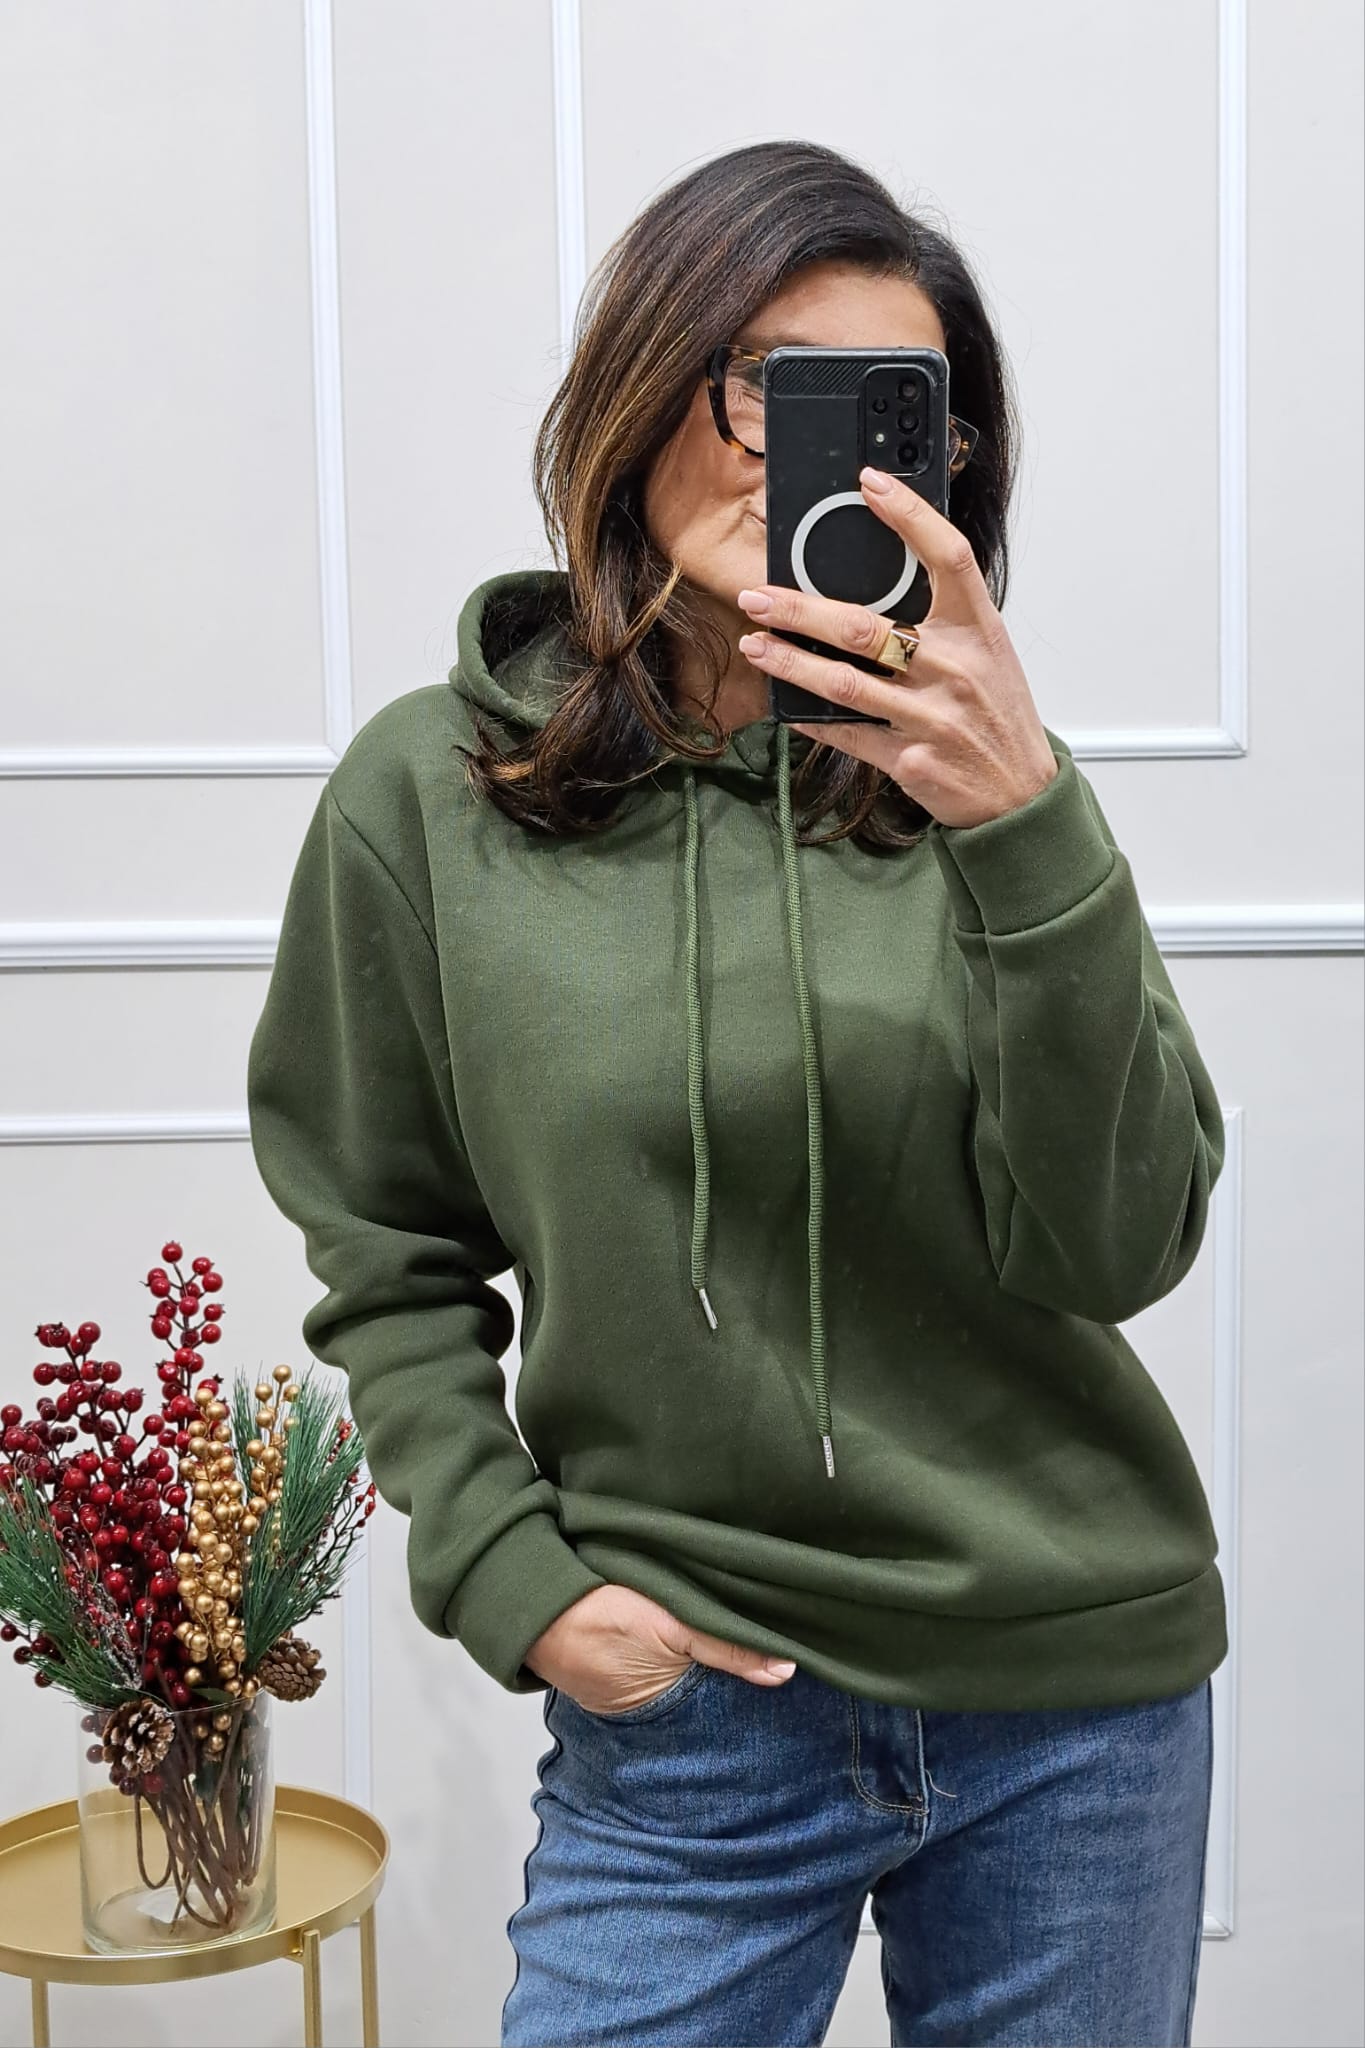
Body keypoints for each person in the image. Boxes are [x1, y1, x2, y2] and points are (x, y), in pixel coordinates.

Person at [246, 139, 1223, 2048]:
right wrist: (515, 1577)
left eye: (887, 413)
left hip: (1071, 1705)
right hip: (692, 1711)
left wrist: (1025, 823)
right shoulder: (431, 796)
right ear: (640, 382)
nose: (808, 454)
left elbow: (1122, 1245)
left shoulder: (983, 784)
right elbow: (384, 1243)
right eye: (763, 379)